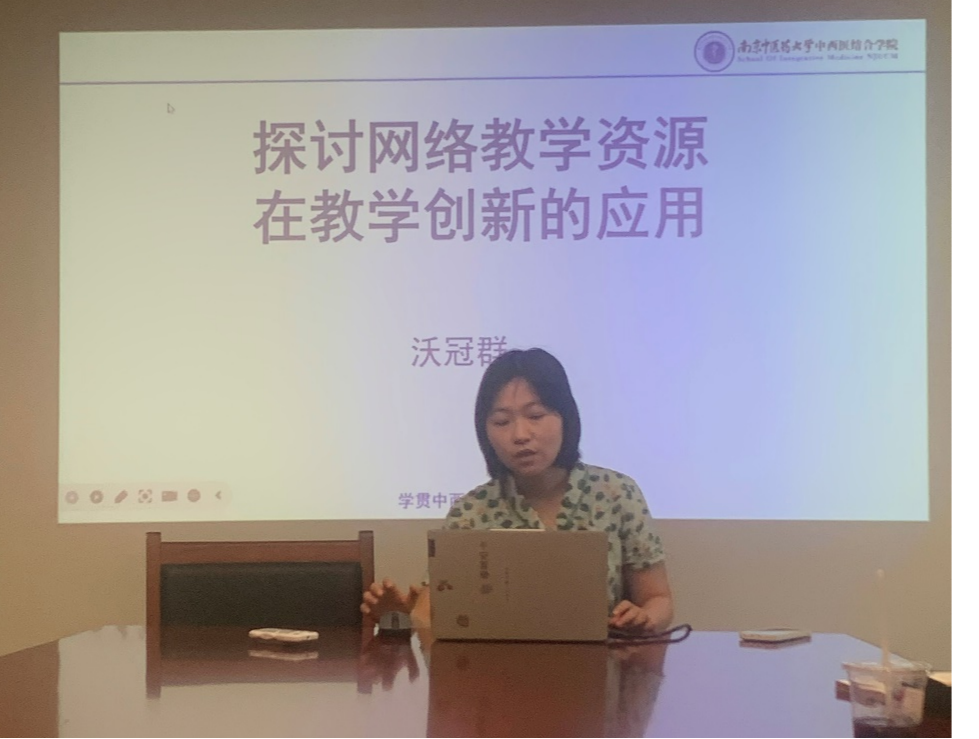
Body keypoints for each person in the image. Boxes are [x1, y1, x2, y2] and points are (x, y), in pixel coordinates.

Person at [362, 348, 674, 635]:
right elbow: (429, 613)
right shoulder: (471, 511)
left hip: (601, 668)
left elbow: (658, 599)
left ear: (565, 417)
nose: (520, 435)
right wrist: (401, 618)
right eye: (501, 421)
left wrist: (644, 617)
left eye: (536, 416)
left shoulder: (617, 493)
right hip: (496, 672)